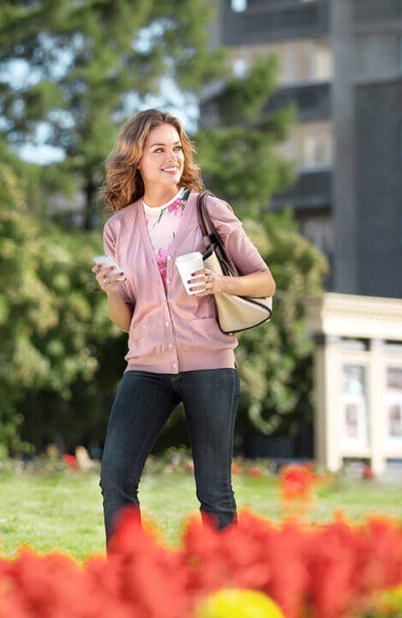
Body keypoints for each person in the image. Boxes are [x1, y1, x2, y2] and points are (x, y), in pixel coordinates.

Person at [91, 109, 276, 546]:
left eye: (176, 148)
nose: (171, 157)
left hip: (209, 363)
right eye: (158, 149)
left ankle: (223, 586)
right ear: (136, 157)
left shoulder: (208, 209)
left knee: (213, 491)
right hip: (145, 366)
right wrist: (111, 291)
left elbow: (265, 280)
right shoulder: (118, 228)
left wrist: (220, 281)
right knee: (115, 477)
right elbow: (125, 322)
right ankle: (126, 581)